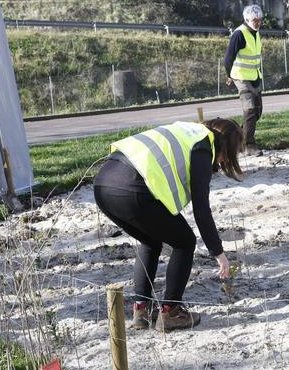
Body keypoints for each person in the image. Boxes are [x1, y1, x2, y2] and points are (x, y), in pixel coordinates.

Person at [92, 118, 243, 332]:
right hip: (132, 189)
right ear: (226, 147)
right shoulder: (203, 146)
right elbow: (201, 209)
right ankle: (171, 312)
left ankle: (141, 310)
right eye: (228, 155)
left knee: (150, 241)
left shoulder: (187, 131)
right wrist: (219, 253)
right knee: (185, 242)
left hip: (103, 186)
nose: (222, 162)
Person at [223, 4, 265, 155]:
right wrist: (229, 75)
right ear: (247, 20)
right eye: (255, 20)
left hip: (255, 77)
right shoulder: (239, 34)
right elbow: (228, 58)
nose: (258, 23)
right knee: (250, 110)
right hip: (241, 77)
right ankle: (249, 146)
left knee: (257, 111)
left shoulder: (256, 33)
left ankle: (237, 138)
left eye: (259, 20)